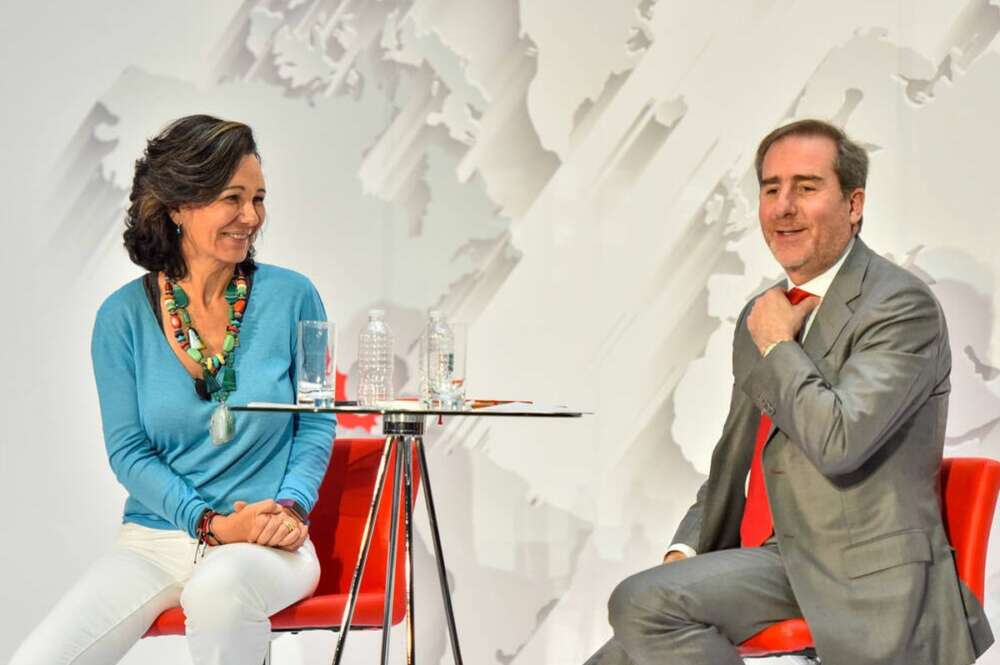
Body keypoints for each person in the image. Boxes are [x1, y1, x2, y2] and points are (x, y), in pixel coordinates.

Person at [585, 119, 993, 665]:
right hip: (782, 565)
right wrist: (685, 548)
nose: (783, 206)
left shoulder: (900, 307)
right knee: (620, 648)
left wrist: (779, 345)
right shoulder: (766, 313)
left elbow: (839, 439)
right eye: (771, 189)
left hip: (866, 578)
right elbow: (735, 461)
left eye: (806, 187)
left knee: (639, 603)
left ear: (853, 204)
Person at [11, 115, 336, 665]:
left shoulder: (297, 297)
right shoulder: (120, 319)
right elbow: (129, 451)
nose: (251, 217)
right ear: (180, 206)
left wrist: (291, 507)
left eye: (258, 199)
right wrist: (208, 524)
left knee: (218, 591)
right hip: (156, 542)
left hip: (266, 544)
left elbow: (318, 419)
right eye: (232, 199)